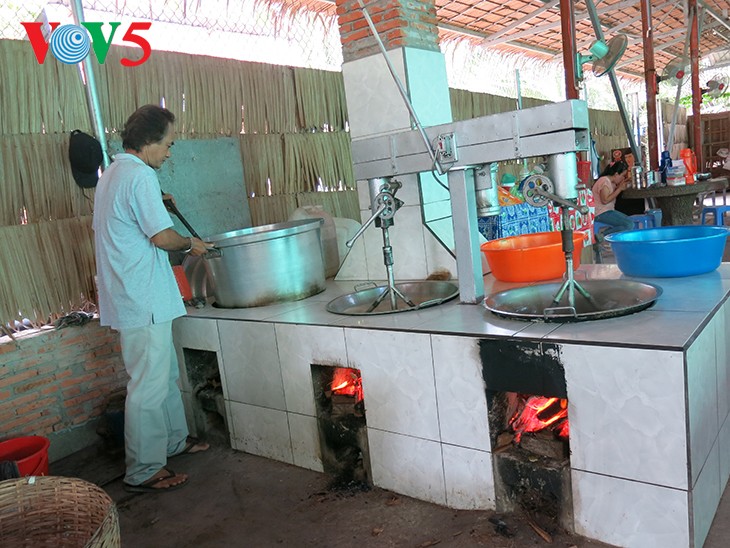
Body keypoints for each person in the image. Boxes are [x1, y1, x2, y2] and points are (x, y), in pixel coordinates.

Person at [93, 104, 212, 493]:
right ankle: (143, 469)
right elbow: (162, 238)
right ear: (148, 142)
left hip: (136, 294)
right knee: (147, 384)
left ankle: (173, 441)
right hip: (140, 297)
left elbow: (131, 218)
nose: (169, 152)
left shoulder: (115, 173)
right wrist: (191, 244)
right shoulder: (139, 176)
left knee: (164, 376)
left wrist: (156, 201)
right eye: (168, 144)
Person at [592, 160, 634, 240]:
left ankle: (604, 236)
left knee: (628, 222)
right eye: (622, 176)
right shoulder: (604, 181)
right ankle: (602, 235)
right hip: (600, 213)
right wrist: (619, 189)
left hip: (607, 211)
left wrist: (625, 182)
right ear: (616, 174)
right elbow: (605, 200)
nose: (623, 178)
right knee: (628, 224)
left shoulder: (611, 182)